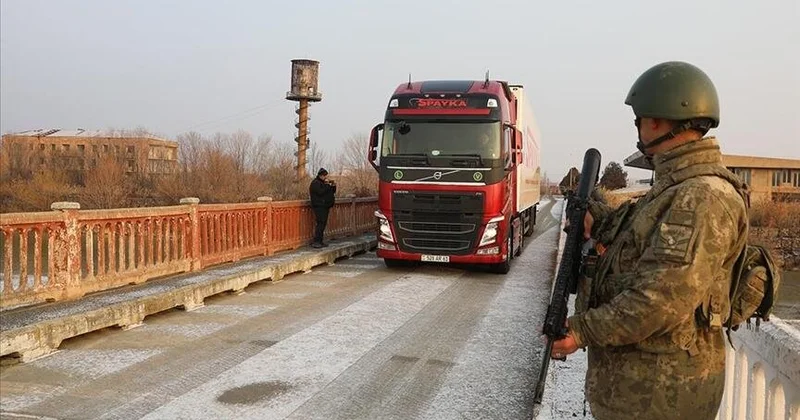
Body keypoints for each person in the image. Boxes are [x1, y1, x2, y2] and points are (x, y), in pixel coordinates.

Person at [550, 61, 750, 420]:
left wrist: (580, 332)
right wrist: (598, 220)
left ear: (658, 120)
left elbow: (660, 300)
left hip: (660, 399)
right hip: (640, 392)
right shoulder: (672, 190)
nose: (639, 129)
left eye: (639, 120)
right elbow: (639, 249)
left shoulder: (701, 196)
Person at [308, 167, 337, 248]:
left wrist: (333, 186)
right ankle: (317, 241)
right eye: (324, 176)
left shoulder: (323, 183)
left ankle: (320, 241)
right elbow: (321, 192)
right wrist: (327, 185)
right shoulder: (315, 183)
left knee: (323, 224)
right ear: (320, 175)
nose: (325, 178)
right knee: (320, 223)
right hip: (319, 206)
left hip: (325, 206)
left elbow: (331, 192)